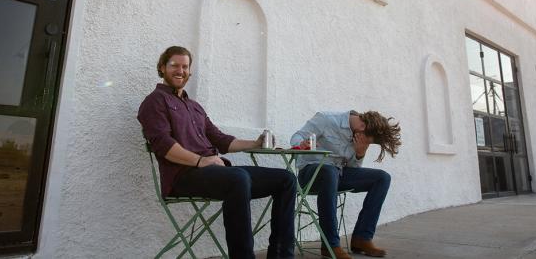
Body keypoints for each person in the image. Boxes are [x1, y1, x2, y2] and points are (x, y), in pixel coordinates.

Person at [138, 46, 296, 259]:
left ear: (189, 72)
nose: (180, 70)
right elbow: (163, 145)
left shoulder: (195, 106)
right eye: (174, 65)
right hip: (182, 176)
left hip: (215, 173)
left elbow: (221, 140)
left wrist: (255, 142)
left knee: (286, 179)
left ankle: (280, 255)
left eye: (185, 66)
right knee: (238, 179)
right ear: (162, 68)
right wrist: (201, 161)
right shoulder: (154, 101)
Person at [291, 110, 401, 259]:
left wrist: (359, 153)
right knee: (329, 172)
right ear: (362, 126)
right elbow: (296, 136)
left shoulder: (360, 135)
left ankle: (362, 239)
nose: (367, 143)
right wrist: (301, 144)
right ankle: (330, 244)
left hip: (338, 174)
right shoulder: (326, 119)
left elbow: (352, 168)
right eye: (368, 140)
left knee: (382, 178)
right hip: (311, 173)